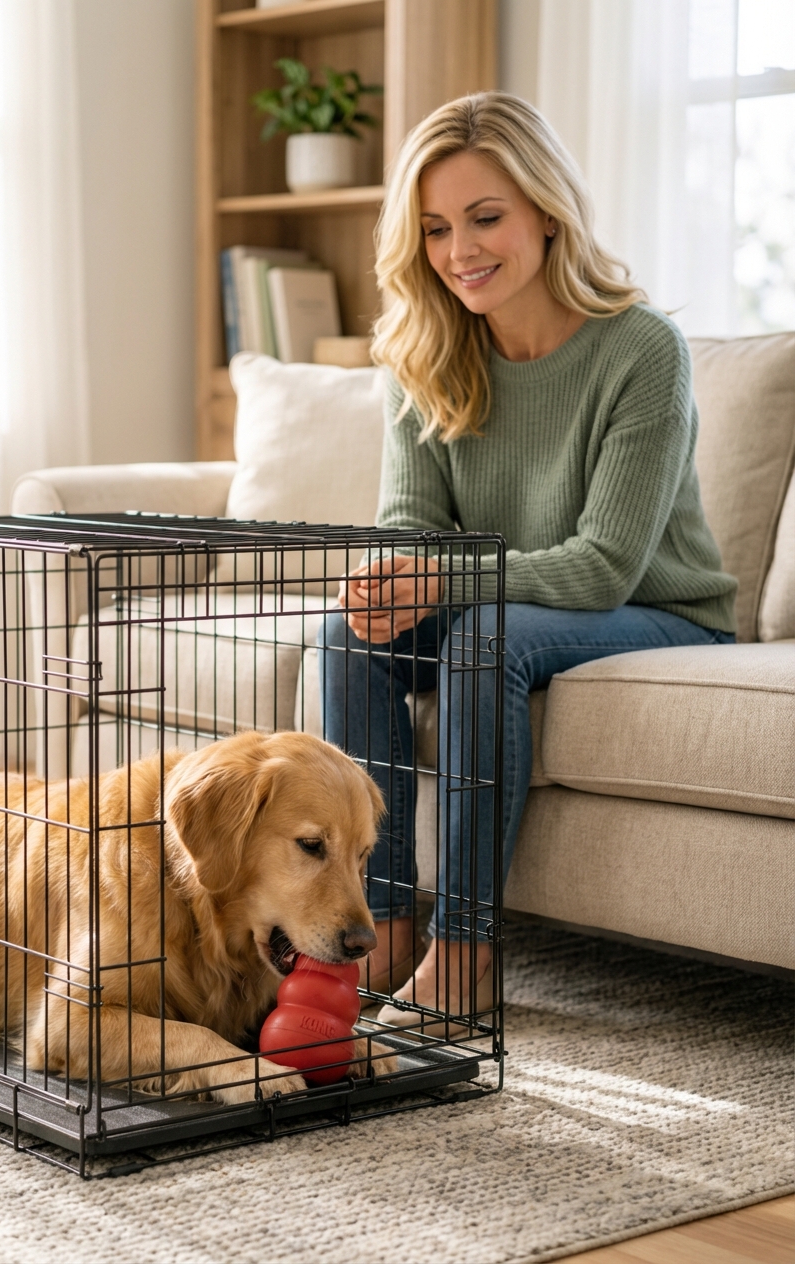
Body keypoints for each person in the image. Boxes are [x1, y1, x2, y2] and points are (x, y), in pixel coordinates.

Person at [318, 92, 737, 1030]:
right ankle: (379, 934)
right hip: (506, 600)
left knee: (480, 640)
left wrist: (440, 583)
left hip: (658, 608)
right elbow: (411, 529)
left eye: (485, 218)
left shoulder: (642, 350)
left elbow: (602, 569)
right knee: (342, 638)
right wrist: (383, 584)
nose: (460, 250)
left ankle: (466, 952)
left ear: (548, 212)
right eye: (434, 229)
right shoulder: (424, 349)